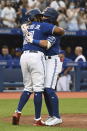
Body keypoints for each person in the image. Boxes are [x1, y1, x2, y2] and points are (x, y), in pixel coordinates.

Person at [12, 8, 64, 126]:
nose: (43, 17)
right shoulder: (43, 27)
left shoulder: (53, 31)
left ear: (50, 18)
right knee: (44, 90)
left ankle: (56, 116)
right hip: (42, 60)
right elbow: (28, 26)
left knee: (47, 89)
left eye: (45, 16)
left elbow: (46, 44)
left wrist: (32, 39)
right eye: (42, 15)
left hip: (52, 60)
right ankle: (52, 116)